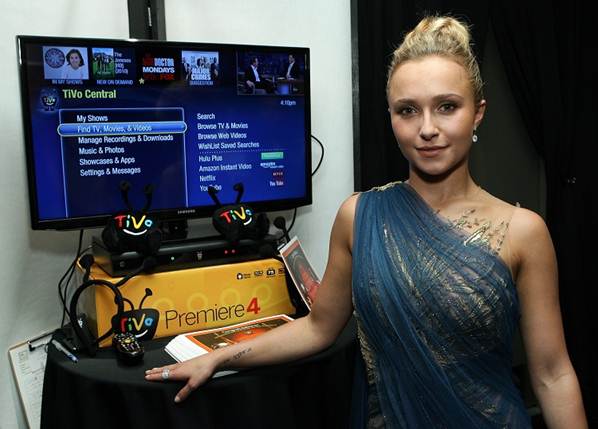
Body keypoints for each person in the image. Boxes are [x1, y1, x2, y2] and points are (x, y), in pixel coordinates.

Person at [146, 15, 587, 428]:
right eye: (408, 110)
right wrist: (220, 357)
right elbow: (319, 328)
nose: (427, 128)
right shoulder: (359, 217)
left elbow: (552, 374)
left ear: (478, 112)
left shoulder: (524, 231)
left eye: (447, 106)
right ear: (391, 117)